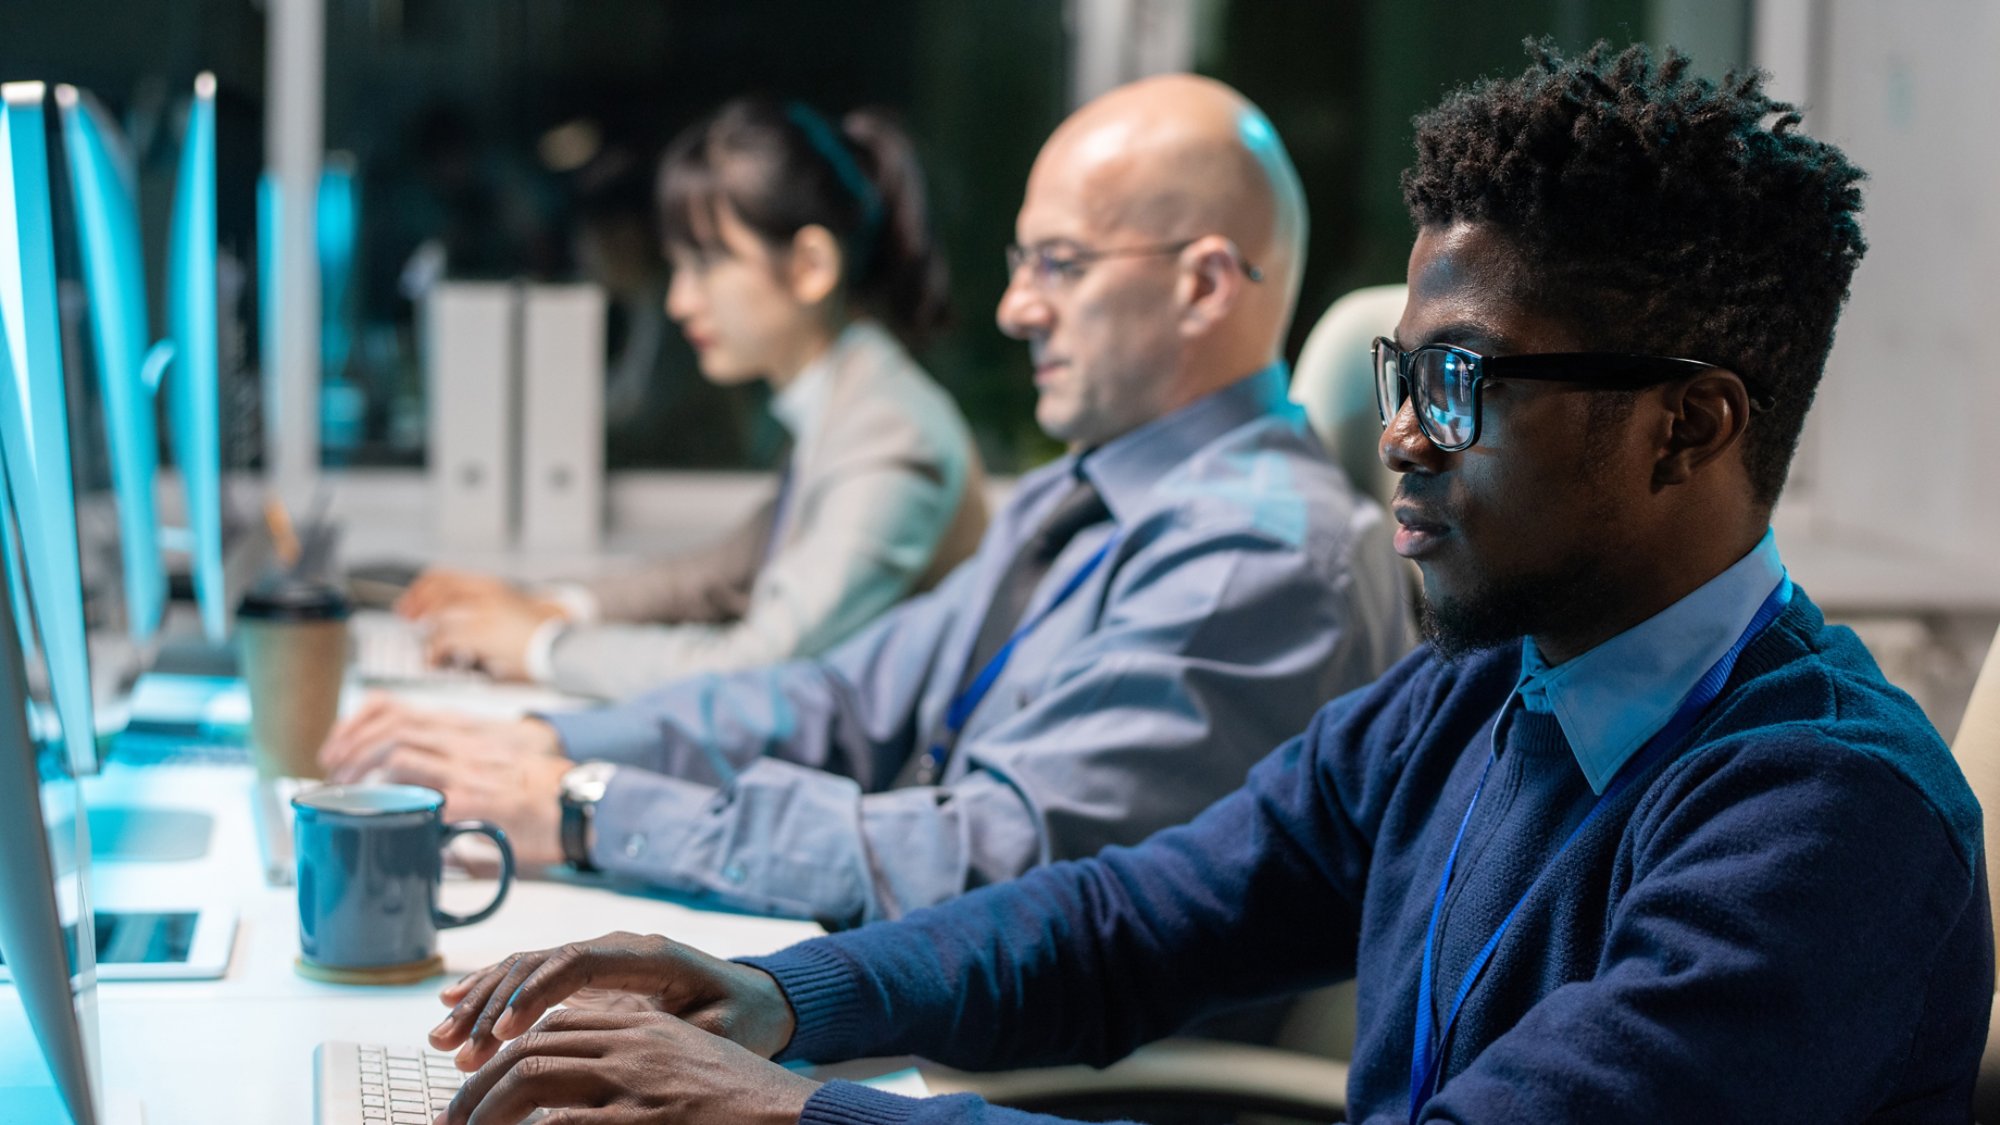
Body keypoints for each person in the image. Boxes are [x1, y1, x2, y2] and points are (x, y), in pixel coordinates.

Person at [416, 43, 1991, 1125]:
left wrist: (798, 1113)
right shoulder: (1474, 692)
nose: (1397, 434)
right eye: (1399, 372)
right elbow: (1127, 918)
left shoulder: (1822, 821)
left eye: (1460, 383)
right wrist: (770, 995)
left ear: (1689, 427)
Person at [319, 74, 1416, 929]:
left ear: (1203, 285)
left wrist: (587, 803)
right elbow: (834, 699)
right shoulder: (1075, 502)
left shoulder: (1251, 557)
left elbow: (991, 861)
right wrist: (540, 736)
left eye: (1059, 265)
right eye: (1017, 262)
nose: (1011, 309)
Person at [399, 98, 988, 701]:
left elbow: (760, 664)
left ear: (811, 266)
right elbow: (721, 574)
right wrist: (546, 605)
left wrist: (541, 646)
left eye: (707, 264)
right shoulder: (846, 398)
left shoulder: (888, 429)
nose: (680, 300)